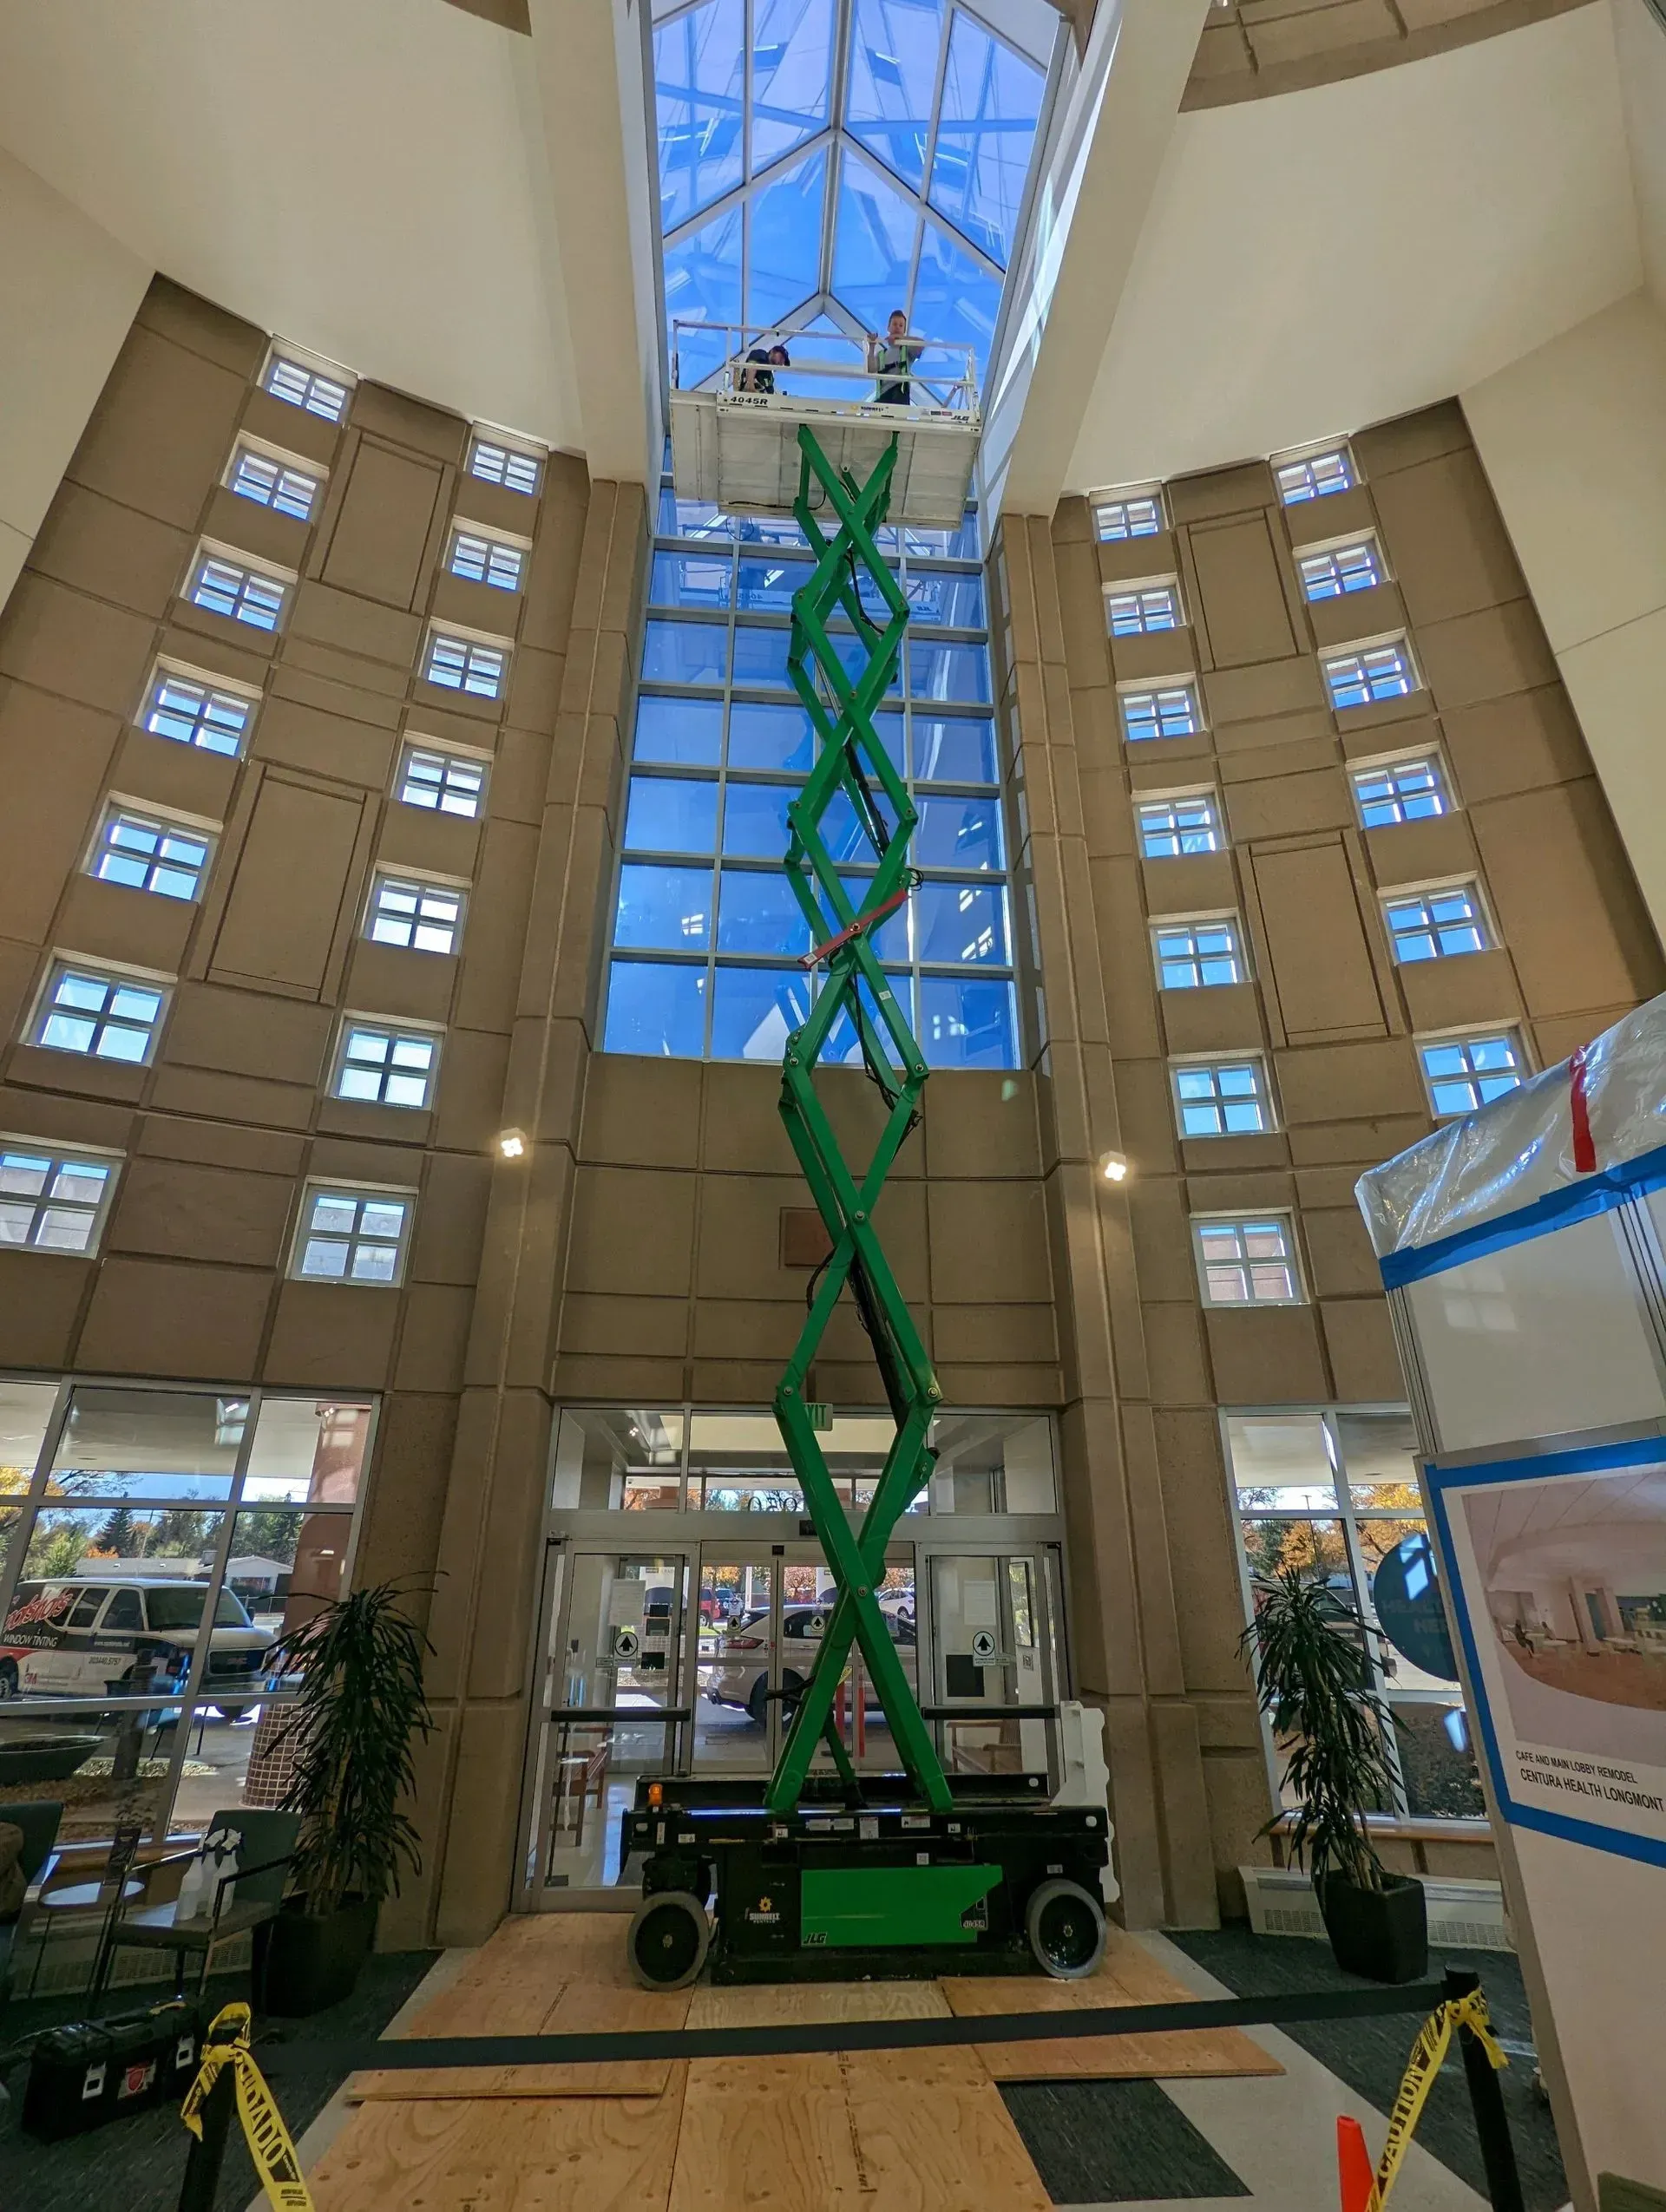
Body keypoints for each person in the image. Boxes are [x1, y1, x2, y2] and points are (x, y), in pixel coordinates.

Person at [867, 311, 922, 405]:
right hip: (883, 395)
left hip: (900, 393)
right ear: (888, 328)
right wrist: (871, 346)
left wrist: (899, 337)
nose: (897, 327)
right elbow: (871, 369)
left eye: (901, 326)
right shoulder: (882, 354)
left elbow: (921, 345)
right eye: (895, 324)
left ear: (904, 331)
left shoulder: (907, 348)